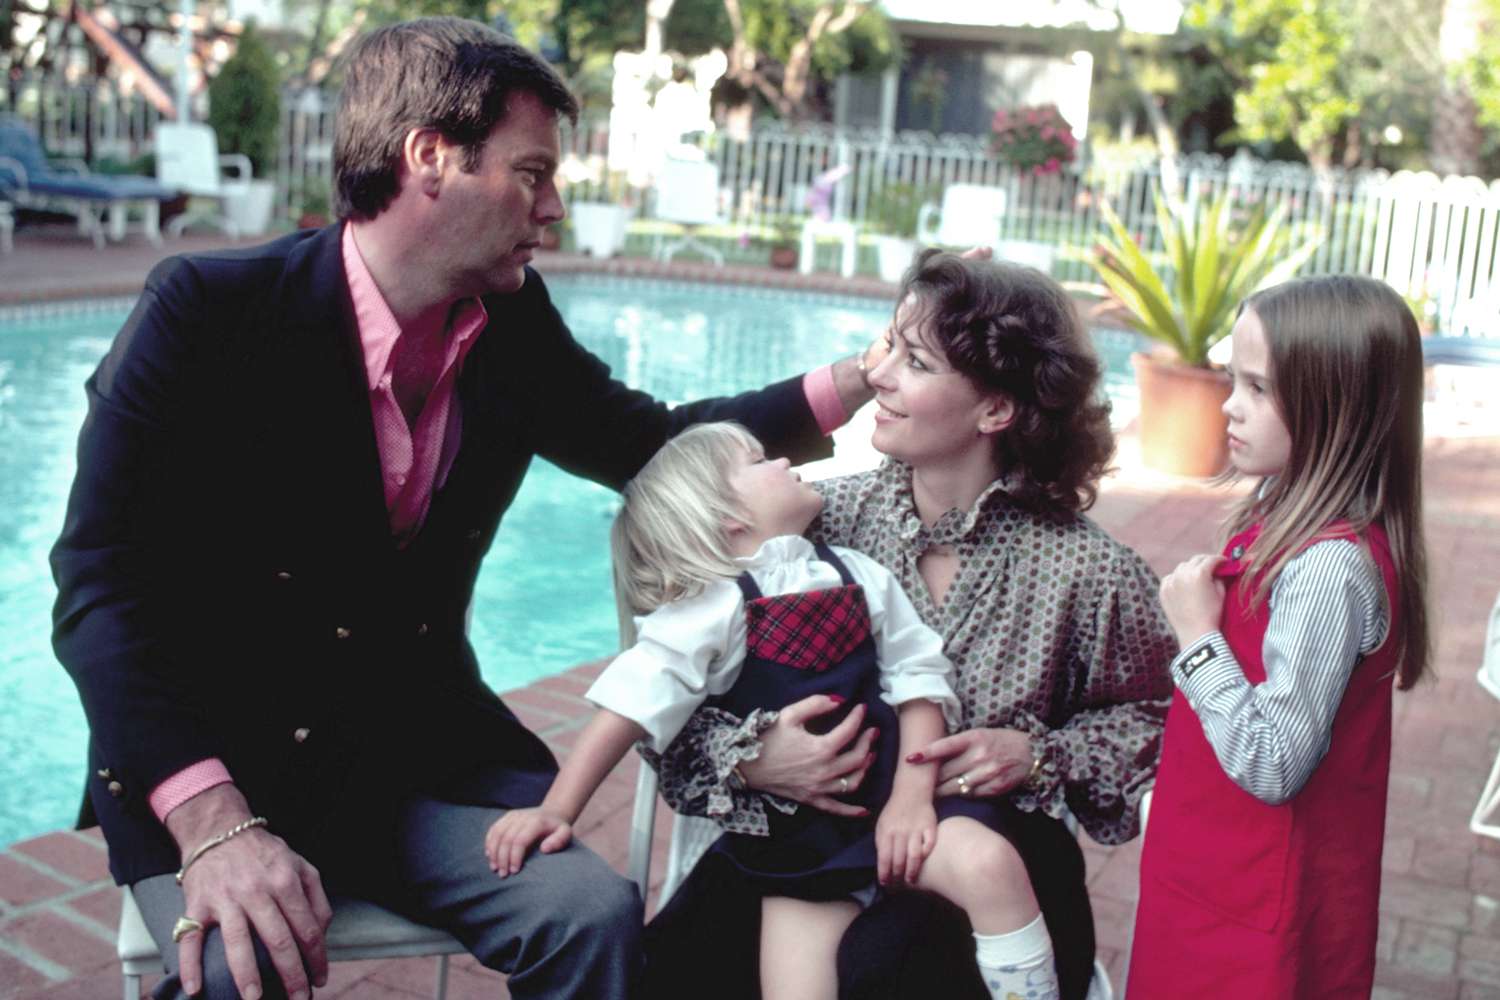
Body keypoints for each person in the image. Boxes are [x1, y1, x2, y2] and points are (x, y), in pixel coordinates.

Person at [49, 18, 871, 1000]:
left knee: (588, 913)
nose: (555, 207)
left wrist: (861, 377)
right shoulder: (209, 312)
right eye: (531, 172)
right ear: (429, 158)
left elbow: (647, 443)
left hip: (411, 759)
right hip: (220, 769)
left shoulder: (507, 322)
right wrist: (211, 821)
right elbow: (100, 586)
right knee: (236, 968)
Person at [646, 250, 1178, 1000]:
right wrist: (756, 758)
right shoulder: (813, 524)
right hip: (819, 846)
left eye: (916, 360)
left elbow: (1157, 723)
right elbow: (667, 717)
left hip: (993, 853)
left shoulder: (1092, 573)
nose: (883, 376)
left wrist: (1040, 753)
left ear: (995, 410)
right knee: (667, 970)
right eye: (890, 345)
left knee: (886, 965)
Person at [490, 420, 1022, 997]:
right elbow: (629, 706)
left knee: (989, 866)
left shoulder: (856, 572)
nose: (781, 460)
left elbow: (919, 677)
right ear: (728, 519)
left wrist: (911, 797)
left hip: (896, 814)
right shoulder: (713, 607)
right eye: (757, 460)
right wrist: (558, 811)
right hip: (803, 859)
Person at [1127, 275, 1431, 998]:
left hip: (1255, 917)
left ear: (1338, 409)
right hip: (1214, 877)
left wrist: (1197, 639)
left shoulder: (1328, 567)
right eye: (1235, 378)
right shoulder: (1280, 507)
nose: (1230, 404)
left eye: (1259, 388)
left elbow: (1274, 762)